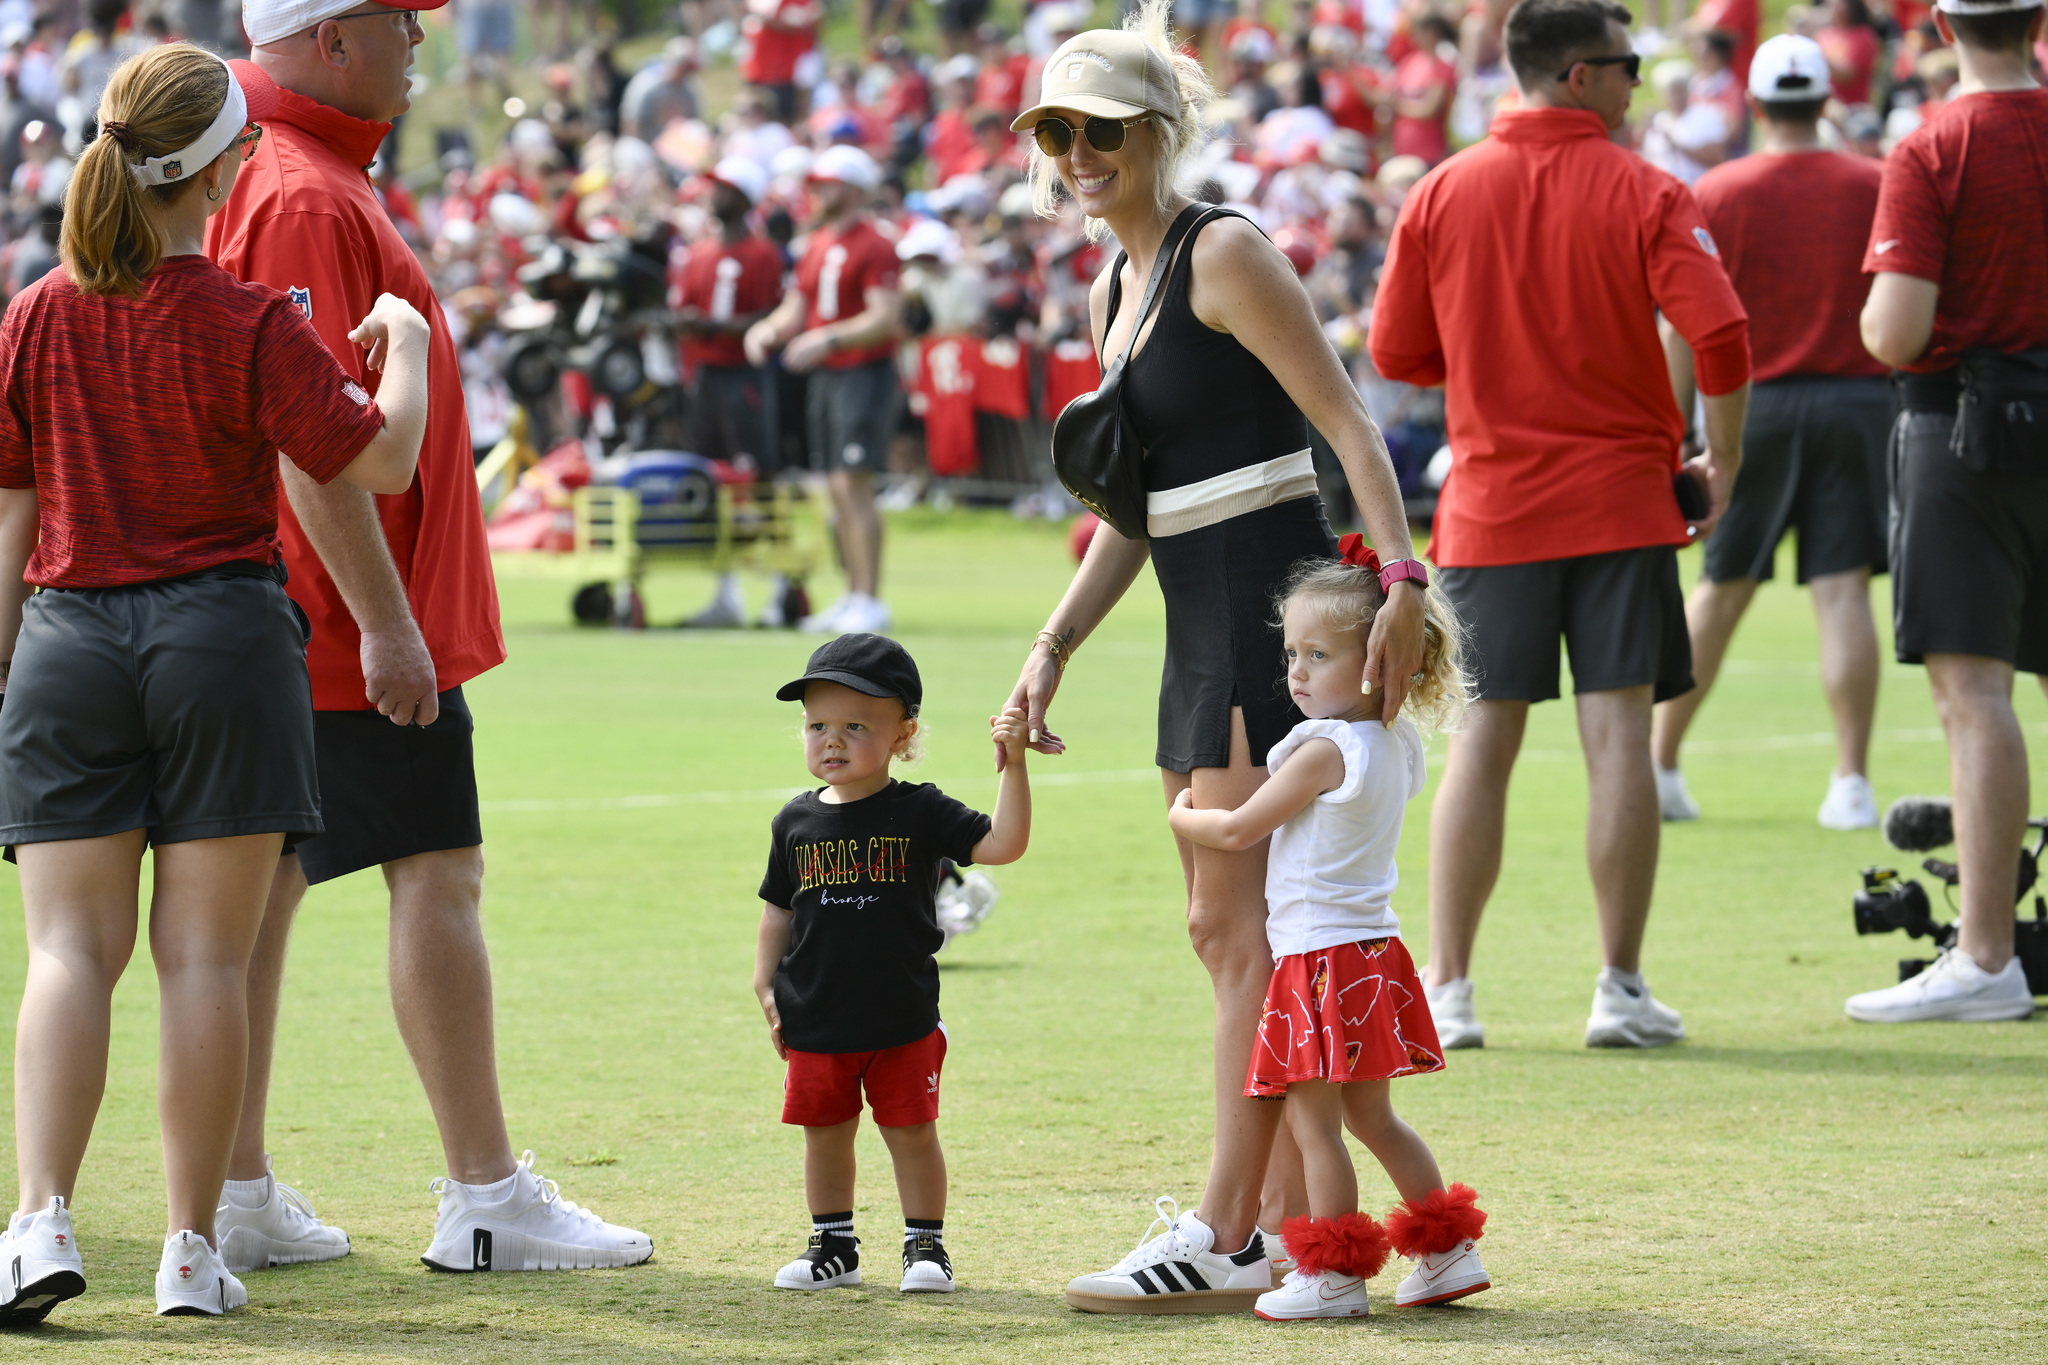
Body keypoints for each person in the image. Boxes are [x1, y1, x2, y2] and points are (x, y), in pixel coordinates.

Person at [206, 1, 652, 1274]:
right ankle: (482, 1193)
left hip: (305, 608)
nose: (419, 41)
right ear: (332, 37)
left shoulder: (292, 169)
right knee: (433, 877)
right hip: (341, 613)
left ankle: (237, 1189)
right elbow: (311, 436)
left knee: (261, 902)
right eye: (399, 19)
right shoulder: (299, 188)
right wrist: (385, 626)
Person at [1002, 0, 1429, 1313]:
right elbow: (1137, 515)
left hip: (1270, 627)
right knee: (1221, 928)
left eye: (1106, 131)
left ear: (1161, 133)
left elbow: (1354, 429)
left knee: (1250, 938)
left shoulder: (1222, 251)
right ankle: (1297, 1221)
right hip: (1195, 621)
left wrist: (1406, 582)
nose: (1080, 154)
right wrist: (1053, 644)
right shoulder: (1110, 283)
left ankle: (1230, 1225)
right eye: (1059, 131)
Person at [0, 43, 427, 1320]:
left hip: (67, 646)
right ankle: (190, 1252)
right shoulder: (252, 318)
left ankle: (35, 1227)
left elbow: (13, 519)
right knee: (201, 964)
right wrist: (400, 336)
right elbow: (384, 460)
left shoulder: (33, 313)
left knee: (70, 954)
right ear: (228, 164)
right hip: (224, 643)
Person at [1370, 0, 1752, 1051]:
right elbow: (1718, 331)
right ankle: (1616, 987)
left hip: (1490, 506)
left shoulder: (1442, 189)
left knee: (1480, 744)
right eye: (1627, 66)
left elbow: (1396, 353)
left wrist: (1495, 362)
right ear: (1579, 75)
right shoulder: (1645, 189)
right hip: (1623, 502)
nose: (1639, 83)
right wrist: (1718, 456)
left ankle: (1448, 990)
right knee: (1616, 734)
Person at [1165, 543, 1491, 1321]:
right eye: (1290, 653)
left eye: (1319, 654)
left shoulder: (1322, 749)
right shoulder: (1396, 743)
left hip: (1318, 962)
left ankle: (1336, 1275)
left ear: (1380, 660)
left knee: (1318, 1129)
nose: (1298, 672)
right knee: (1375, 1117)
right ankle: (1447, 1252)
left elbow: (1241, 827)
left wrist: (1185, 811)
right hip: (1374, 954)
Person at [1848, 0, 2048, 1024]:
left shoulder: (1932, 142)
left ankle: (1984, 953)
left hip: (1960, 434)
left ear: (1937, 27)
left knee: (1972, 696)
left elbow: (1895, 329)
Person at [1653, 35, 1890, 831]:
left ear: (1754, 106)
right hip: (1859, 403)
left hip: (1749, 405)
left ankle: (1659, 764)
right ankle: (1850, 781)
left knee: (1721, 588)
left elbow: (1683, 324)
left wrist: (1673, 427)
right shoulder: (1875, 183)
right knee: (1842, 588)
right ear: (1824, 102)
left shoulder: (1717, 190)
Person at [755, 634, 1033, 1295]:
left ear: (903, 733)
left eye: (856, 725)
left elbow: (1003, 844)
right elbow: (777, 912)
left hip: (901, 1016)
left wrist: (1013, 766)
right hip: (815, 1015)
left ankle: (926, 1246)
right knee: (824, 1134)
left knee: (910, 1133)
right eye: (818, 724)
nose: (833, 739)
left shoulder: (920, 809)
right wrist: (764, 983)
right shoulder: (793, 821)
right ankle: (834, 1245)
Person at [744, 143, 903, 636]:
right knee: (835, 486)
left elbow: (886, 317)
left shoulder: (874, 244)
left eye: (826, 184)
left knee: (852, 484)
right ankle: (853, 593)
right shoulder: (815, 244)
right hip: (830, 374)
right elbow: (797, 308)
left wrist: (828, 337)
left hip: (862, 373)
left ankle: (869, 597)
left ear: (852, 188)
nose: (816, 192)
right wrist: (767, 330)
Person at [674, 155, 787, 629]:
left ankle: (781, 585)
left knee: (760, 477)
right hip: (706, 375)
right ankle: (726, 589)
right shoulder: (699, 253)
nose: (712, 196)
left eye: (722, 188)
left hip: (744, 375)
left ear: (741, 196)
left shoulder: (761, 254)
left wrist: (717, 327)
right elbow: (684, 308)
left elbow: (768, 313)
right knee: (712, 477)